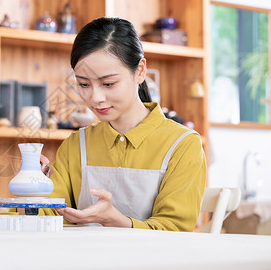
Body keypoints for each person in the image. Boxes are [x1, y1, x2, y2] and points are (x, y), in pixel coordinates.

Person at [41, 17, 207, 231]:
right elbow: (50, 217)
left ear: (140, 71)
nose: (95, 98)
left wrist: (118, 221)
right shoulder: (77, 144)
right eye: (83, 84)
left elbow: (175, 230)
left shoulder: (183, 145)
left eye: (108, 83)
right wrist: (34, 188)